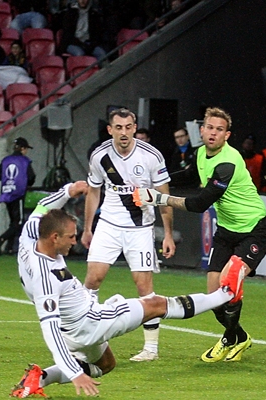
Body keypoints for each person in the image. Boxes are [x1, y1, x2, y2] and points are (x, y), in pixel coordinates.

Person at [10, 181, 245, 398]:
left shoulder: (31, 234)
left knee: (106, 366)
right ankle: (225, 294)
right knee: (155, 305)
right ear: (54, 237)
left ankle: (40, 378)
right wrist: (74, 372)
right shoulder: (45, 278)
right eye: (70, 237)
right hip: (90, 323)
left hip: (73, 328)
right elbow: (49, 329)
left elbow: (43, 206)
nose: (74, 241)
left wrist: (69, 190)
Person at [135, 106, 266, 363]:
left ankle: (229, 339)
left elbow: (199, 204)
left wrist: (159, 197)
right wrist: (158, 179)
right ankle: (237, 337)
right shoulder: (200, 153)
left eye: (219, 130)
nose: (213, 133)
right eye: (209, 128)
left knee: (230, 282)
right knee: (214, 298)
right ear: (201, 130)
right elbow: (189, 174)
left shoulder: (228, 163)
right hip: (226, 231)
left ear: (227, 135)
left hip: (254, 230)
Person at [81, 108, 176, 362]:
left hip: (141, 229)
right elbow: (93, 192)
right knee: (93, 279)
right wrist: (88, 228)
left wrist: (167, 234)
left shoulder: (151, 156)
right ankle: (84, 337)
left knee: (144, 286)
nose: (123, 132)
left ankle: (151, 349)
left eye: (128, 127)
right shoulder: (100, 156)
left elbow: (163, 197)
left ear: (135, 128)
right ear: (110, 129)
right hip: (109, 226)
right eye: (118, 127)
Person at [0, 137, 36, 255]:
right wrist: (22, 182)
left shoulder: (6, 160)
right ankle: (1, 239)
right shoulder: (25, 161)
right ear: (22, 148)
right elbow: (31, 177)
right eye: (26, 148)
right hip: (18, 193)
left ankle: (9, 247)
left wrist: (8, 180)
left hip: (7, 193)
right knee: (19, 222)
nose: (26, 151)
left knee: (13, 222)